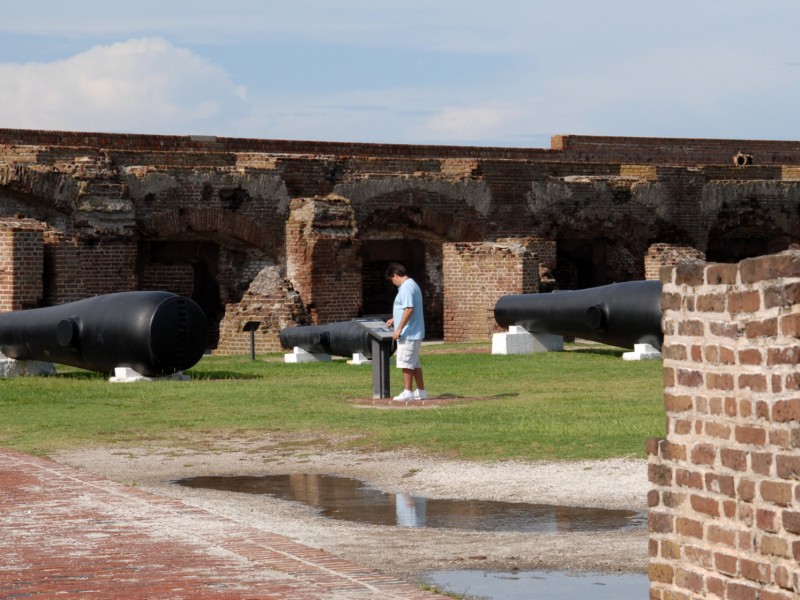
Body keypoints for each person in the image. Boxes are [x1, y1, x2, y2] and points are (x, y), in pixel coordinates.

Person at [385, 263, 428, 401]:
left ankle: (407, 391)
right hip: (414, 330)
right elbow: (406, 308)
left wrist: (399, 329)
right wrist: (394, 318)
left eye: (392, 279)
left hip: (409, 332)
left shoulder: (406, 287)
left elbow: (409, 309)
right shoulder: (412, 284)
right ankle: (421, 391)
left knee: (405, 361)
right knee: (414, 362)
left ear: (395, 275)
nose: (393, 283)